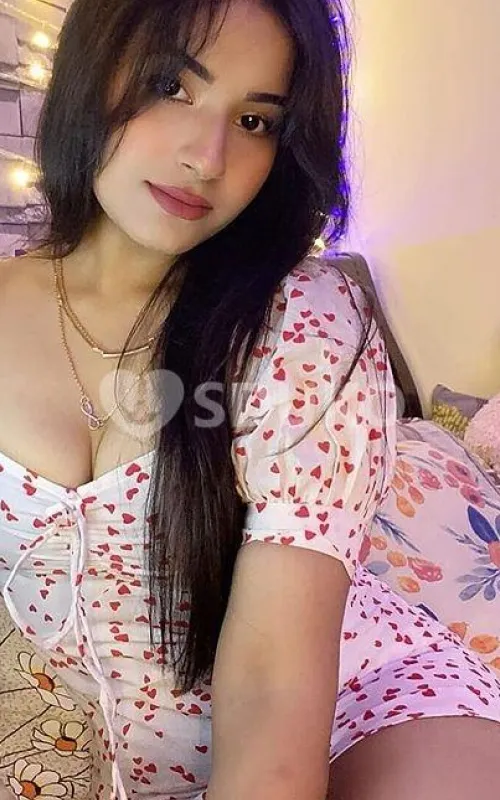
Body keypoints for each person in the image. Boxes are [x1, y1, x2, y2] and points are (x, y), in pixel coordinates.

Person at [0, 0, 499, 798]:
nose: (207, 157)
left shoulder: (304, 319)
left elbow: (275, 682)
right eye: (170, 85)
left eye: (256, 121)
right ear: (89, 72)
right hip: (77, 754)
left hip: (354, 704)